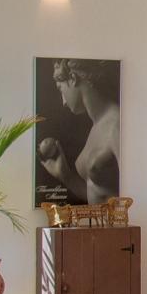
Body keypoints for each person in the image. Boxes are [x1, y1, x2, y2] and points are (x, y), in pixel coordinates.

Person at [37, 60, 121, 204]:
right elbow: (100, 195)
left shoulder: (117, 125)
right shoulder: (97, 126)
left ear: (73, 79)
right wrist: (66, 177)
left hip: (115, 226)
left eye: (60, 88)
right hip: (100, 225)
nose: (63, 101)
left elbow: (136, 196)